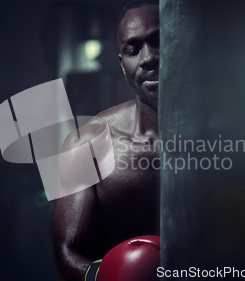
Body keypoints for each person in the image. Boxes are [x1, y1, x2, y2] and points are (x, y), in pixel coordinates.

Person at [51, 1, 160, 280]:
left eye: (160, 41)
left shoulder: (237, 134)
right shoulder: (88, 143)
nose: (148, 58)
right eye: (133, 50)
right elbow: (68, 251)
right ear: (123, 65)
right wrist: (111, 274)